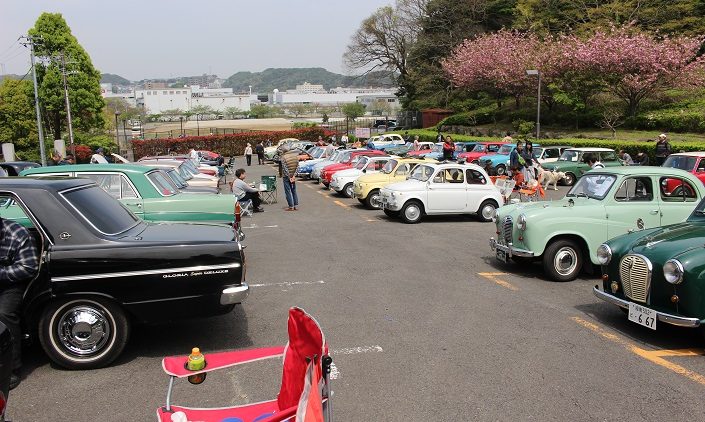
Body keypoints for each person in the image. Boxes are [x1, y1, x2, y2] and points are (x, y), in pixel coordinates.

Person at [0, 217, 39, 389]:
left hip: (10, 284)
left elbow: (28, 267)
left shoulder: (18, 233)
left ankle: (11, 369)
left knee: (3, 314)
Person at [280, 145, 299, 211]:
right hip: (293, 176)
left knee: (288, 191)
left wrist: (289, 176)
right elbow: (298, 166)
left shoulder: (283, 157)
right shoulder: (295, 156)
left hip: (286, 177)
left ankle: (291, 206)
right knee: (294, 190)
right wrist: (294, 175)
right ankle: (295, 205)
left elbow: (285, 168)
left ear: (283, 151)